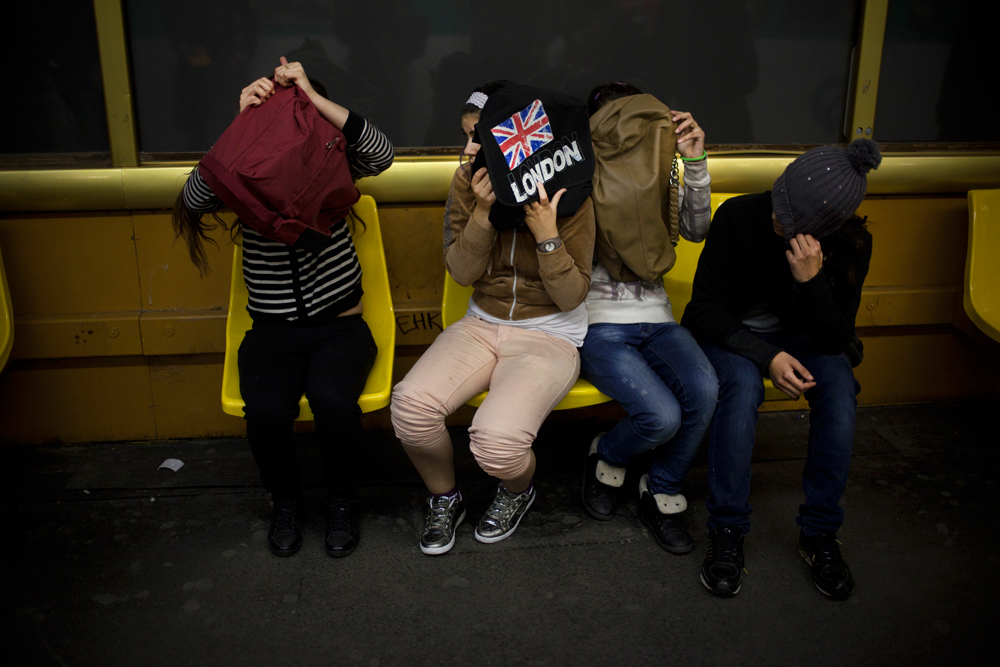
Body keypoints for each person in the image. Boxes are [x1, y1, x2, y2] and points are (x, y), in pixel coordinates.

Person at [172, 57, 394, 558]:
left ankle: (341, 501)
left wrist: (313, 99)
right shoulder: (246, 180)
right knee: (267, 412)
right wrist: (243, 121)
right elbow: (194, 195)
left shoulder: (334, 159)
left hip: (340, 327)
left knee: (333, 402)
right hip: (272, 333)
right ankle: (286, 502)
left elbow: (382, 153)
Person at [391, 82, 596, 555]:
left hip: (549, 333)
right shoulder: (468, 183)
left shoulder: (573, 193)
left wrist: (547, 235)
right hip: (482, 322)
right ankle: (445, 497)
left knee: (496, 443)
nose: (466, 152)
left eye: (476, 139)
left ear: (513, 144)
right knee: (410, 409)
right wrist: (483, 214)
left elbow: (570, 296)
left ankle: (518, 490)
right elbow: (462, 273)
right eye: (464, 137)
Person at [682, 139, 881, 599]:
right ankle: (727, 530)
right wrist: (766, 356)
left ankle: (819, 533)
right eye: (779, 205)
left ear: (826, 229)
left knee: (838, 388)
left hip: (804, 337)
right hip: (733, 336)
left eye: (792, 222)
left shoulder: (851, 245)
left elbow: (835, 339)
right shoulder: (738, 216)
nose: (777, 219)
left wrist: (811, 282)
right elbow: (705, 310)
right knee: (743, 385)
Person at [579, 83, 718, 555]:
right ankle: (608, 458)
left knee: (704, 392)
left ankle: (662, 488)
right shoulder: (578, 170)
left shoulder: (663, 168)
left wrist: (691, 160)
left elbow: (698, 230)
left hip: (658, 318)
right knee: (661, 417)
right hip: (598, 323)